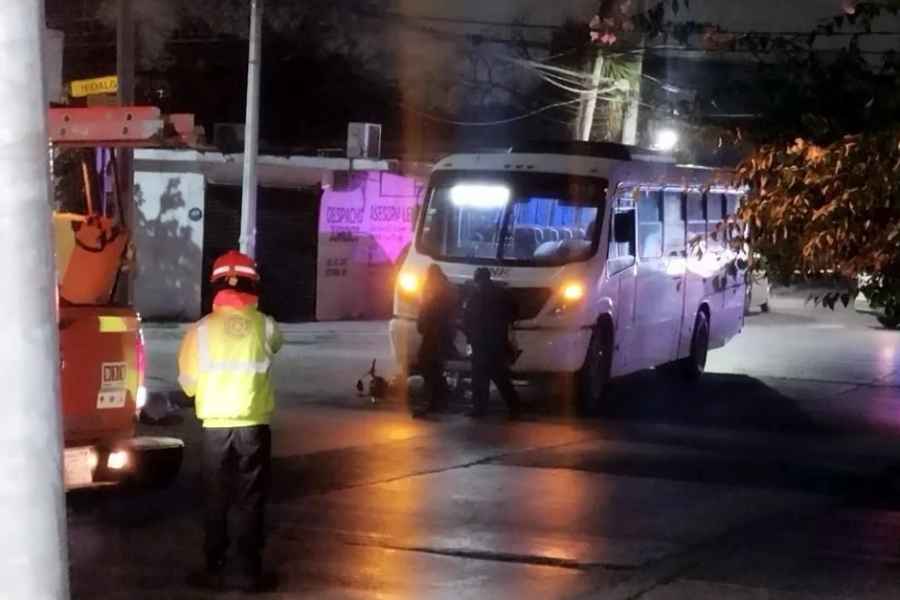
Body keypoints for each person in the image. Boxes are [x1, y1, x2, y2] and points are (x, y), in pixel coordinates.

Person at [178, 250, 283, 592]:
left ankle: (214, 564)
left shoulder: (200, 332)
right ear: (255, 284)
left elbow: (189, 385)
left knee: (215, 496)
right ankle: (248, 569)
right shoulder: (265, 326)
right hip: (253, 425)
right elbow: (277, 344)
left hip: (214, 428)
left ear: (216, 286)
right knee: (251, 498)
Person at [462, 267, 522, 418]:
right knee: (500, 377)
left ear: (477, 280)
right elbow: (514, 311)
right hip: (496, 342)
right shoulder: (502, 293)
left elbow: (467, 319)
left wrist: (469, 336)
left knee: (479, 378)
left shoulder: (475, 296)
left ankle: (480, 409)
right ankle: (515, 407)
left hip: (480, 343)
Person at [416, 264, 458, 413]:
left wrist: (423, 324)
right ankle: (440, 398)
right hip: (440, 334)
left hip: (435, 334)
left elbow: (427, 311)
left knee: (427, 365)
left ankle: (436, 400)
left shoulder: (436, 290)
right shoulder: (447, 288)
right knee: (433, 367)